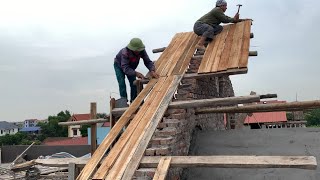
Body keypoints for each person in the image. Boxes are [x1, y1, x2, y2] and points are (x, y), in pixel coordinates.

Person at [114, 38, 159, 103]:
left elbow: (148, 61)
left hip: (130, 67)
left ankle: (133, 101)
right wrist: (136, 73)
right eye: (137, 50)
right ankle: (123, 101)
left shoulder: (142, 51)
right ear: (132, 49)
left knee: (134, 83)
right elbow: (125, 68)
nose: (138, 51)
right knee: (122, 82)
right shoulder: (125, 53)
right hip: (119, 66)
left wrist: (152, 70)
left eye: (139, 50)